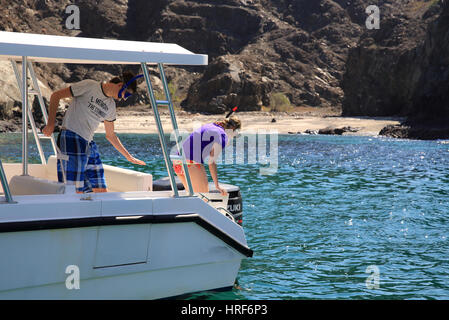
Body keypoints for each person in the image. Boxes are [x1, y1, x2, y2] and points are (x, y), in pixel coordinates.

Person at [42, 71, 146, 193]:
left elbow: (110, 135)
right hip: (72, 137)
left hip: (89, 143)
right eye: (126, 94)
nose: (124, 98)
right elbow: (56, 96)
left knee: (100, 190)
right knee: (73, 190)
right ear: (120, 85)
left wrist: (129, 157)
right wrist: (50, 124)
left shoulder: (111, 106)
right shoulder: (90, 86)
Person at [173, 115, 241, 195]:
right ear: (233, 129)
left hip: (177, 161)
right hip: (190, 163)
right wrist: (217, 185)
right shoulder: (223, 135)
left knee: (192, 197)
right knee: (203, 198)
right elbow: (211, 162)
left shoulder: (209, 126)